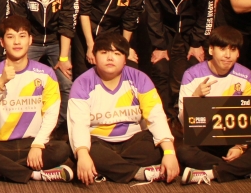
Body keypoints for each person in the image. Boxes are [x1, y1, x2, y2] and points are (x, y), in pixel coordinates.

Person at [0, 15, 73, 182]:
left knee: (62, 149)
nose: (17, 42)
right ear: (2, 42)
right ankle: (35, 174)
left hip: (33, 142)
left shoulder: (46, 73)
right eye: (10, 37)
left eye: (22, 36)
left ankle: (1, 171)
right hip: (1, 144)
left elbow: (51, 113)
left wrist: (38, 144)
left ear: (30, 40)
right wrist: (0, 83)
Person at [69, 32, 179, 184]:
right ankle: (138, 173)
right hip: (98, 142)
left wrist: (169, 152)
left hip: (133, 141)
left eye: (117, 53)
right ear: (94, 56)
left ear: (125, 58)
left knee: (161, 146)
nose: (110, 58)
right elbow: (78, 125)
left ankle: (106, 169)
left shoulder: (140, 78)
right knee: (81, 149)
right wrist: (82, 155)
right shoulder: (82, 83)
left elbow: (156, 116)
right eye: (104, 52)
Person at [176, 27, 251, 185]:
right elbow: (183, 121)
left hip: (235, 140)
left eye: (233, 49)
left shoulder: (246, 76)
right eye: (222, 49)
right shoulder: (192, 75)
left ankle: (211, 173)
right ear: (211, 50)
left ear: (238, 53)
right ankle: (246, 170)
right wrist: (195, 97)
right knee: (183, 151)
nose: (228, 55)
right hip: (205, 140)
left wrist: (240, 147)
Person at [7, 0, 78, 117]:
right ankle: (21, 122)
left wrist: (63, 58)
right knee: (17, 80)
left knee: (66, 83)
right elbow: (19, 24)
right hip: (31, 41)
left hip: (57, 41)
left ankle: (61, 124)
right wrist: (20, 53)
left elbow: (67, 24)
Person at [141, 0, 215, 110]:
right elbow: (152, 12)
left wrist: (197, 43)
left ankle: (185, 113)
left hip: (191, 29)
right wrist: (159, 45)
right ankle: (164, 114)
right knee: (160, 68)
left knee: (192, 67)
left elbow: (207, 12)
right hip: (163, 28)